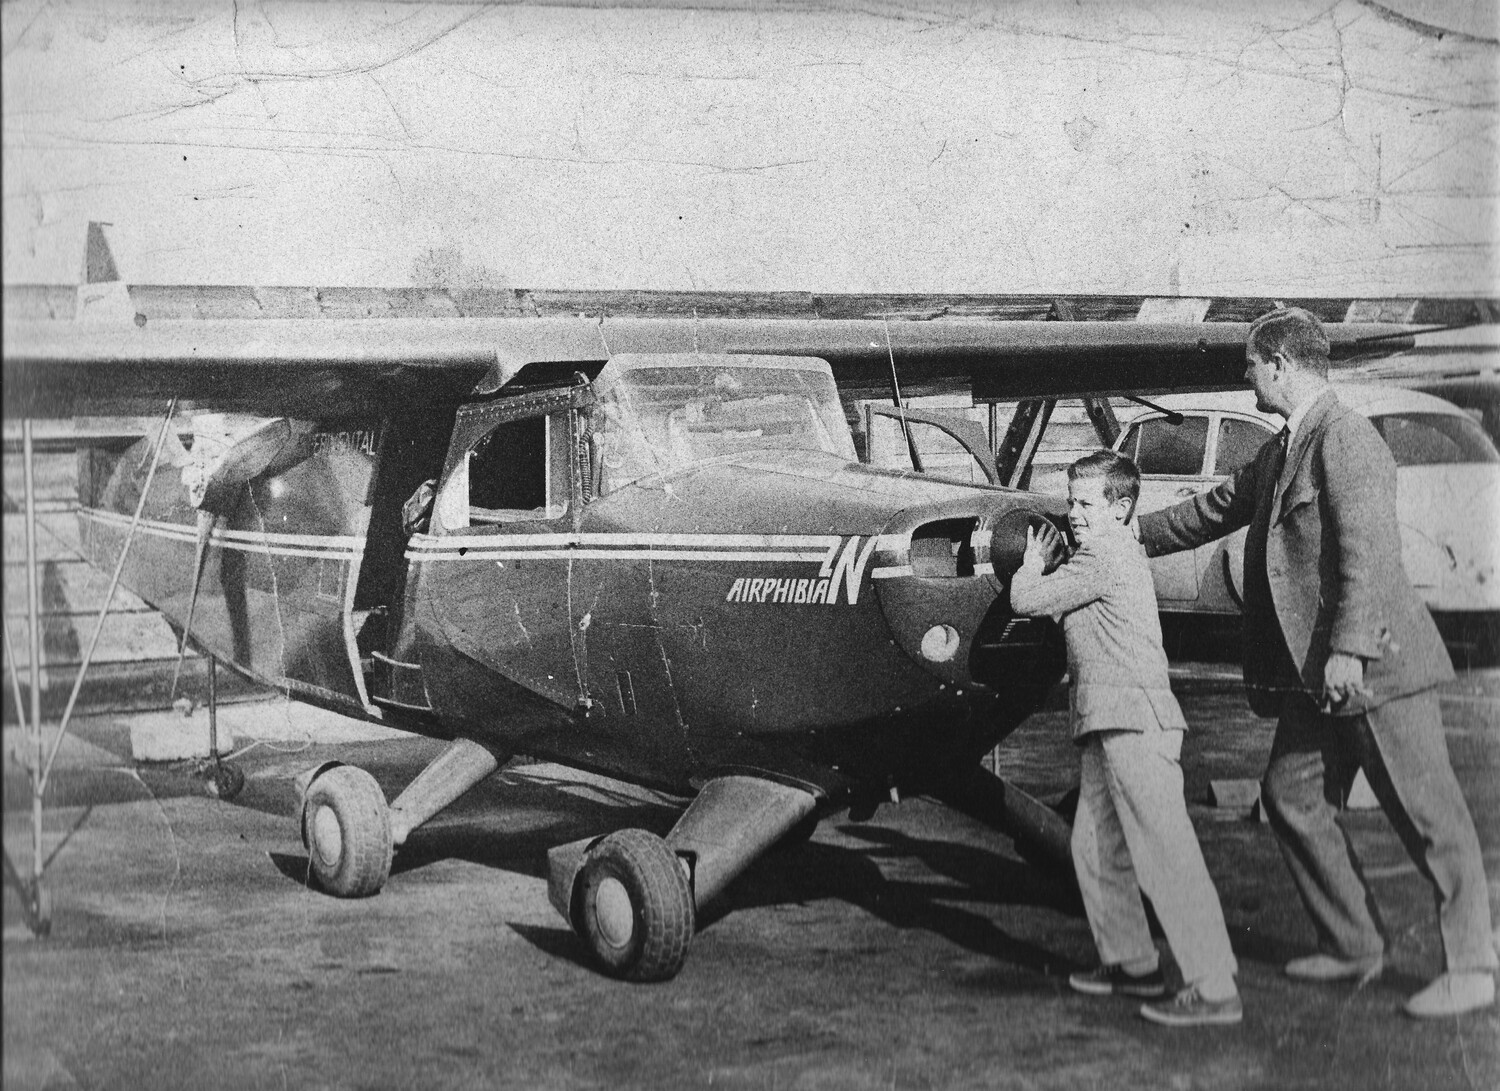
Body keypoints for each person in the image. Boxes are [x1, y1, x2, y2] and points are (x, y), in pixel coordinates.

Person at [1136, 306, 1497, 1018]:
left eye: (1250, 363)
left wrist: (1350, 649)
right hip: (1320, 672)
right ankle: (1354, 943)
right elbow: (1213, 509)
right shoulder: (1284, 446)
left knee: (1429, 815)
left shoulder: (1346, 438)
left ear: (1279, 363)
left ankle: (1474, 963)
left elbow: (1369, 553)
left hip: (1373, 668)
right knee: (1292, 797)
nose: (1244, 376)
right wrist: (1125, 530)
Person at [1011, 450, 1242, 1028]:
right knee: (1093, 846)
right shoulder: (1106, 552)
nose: (1073, 515)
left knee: (1165, 853)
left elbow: (1027, 601)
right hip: (1108, 722)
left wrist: (1031, 563)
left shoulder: (1106, 552)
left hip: (1134, 723)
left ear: (1122, 508)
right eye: (1070, 502)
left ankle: (1215, 988)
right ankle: (1131, 961)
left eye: (1086, 504)